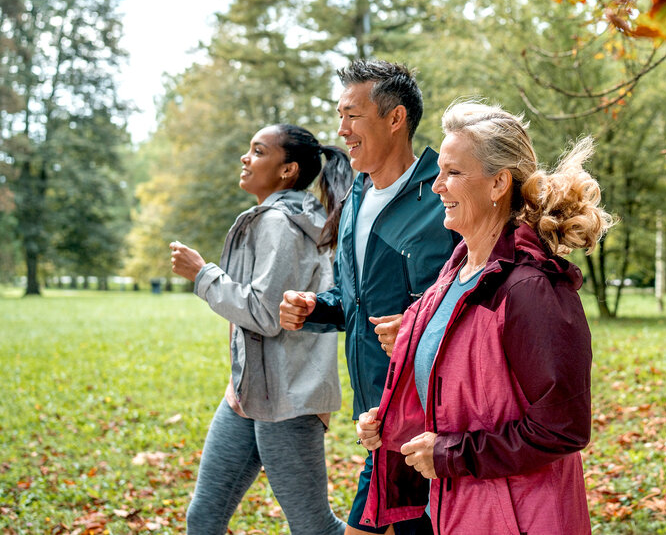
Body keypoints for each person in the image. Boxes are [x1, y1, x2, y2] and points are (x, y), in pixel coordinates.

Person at [354, 102, 613, 534]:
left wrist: (451, 455)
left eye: (453, 173)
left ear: (497, 184)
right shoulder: (456, 272)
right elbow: (463, 392)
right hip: (458, 510)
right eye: (439, 171)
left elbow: (563, 428)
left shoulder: (530, 288)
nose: (436, 186)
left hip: (524, 517)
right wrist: (391, 423)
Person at [278, 60, 459, 535]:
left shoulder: (448, 194)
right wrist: (316, 307)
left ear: (395, 118)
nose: (341, 130)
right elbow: (355, 300)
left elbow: (478, 299)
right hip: (376, 419)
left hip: (431, 423)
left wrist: (416, 326)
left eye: (352, 115)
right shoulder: (355, 197)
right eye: (340, 115)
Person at [169, 124, 352, 535]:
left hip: (288, 400)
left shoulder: (279, 223)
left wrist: (202, 275)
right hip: (248, 393)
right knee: (204, 516)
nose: (245, 158)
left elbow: (265, 313)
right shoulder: (288, 217)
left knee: (314, 528)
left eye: (257, 151)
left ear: (287, 170)